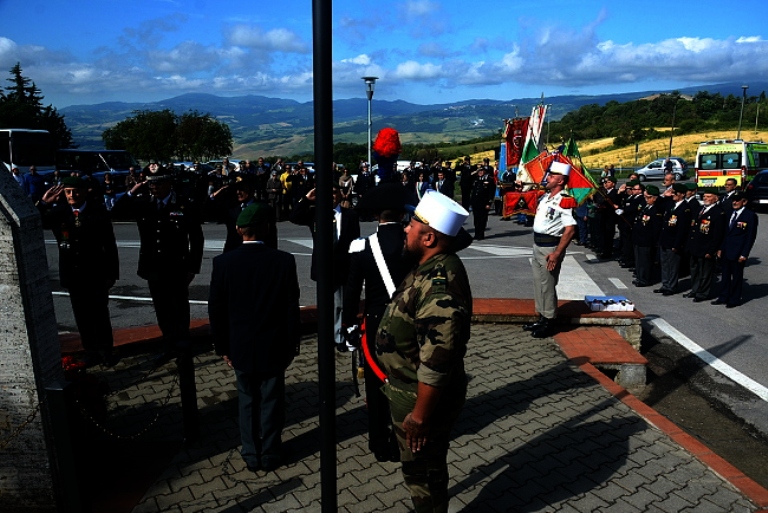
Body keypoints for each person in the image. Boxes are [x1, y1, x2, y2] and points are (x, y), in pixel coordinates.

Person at [375, 191, 472, 513]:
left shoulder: (440, 283)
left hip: (421, 399)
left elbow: (438, 359)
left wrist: (419, 415)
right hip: (409, 391)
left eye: (412, 224)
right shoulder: (430, 265)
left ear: (429, 237)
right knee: (423, 470)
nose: (405, 228)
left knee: (423, 475)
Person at [209, 203, 300, 472]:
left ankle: (251, 452)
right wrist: (293, 342)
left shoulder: (223, 263)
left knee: (246, 399)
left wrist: (222, 345)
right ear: (267, 228)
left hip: (240, 344)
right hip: (274, 342)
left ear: (238, 230)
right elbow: (290, 306)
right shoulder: (283, 260)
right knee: (272, 399)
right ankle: (271, 451)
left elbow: (217, 309)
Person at [344, 184, 414, 463]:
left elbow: (351, 292)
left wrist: (349, 326)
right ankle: (405, 436)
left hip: (375, 322)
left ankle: (378, 441)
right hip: (409, 319)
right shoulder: (413, 241)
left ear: (375, 215)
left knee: (376, 381)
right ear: (402, 213)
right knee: (407, 378)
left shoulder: (361, 246)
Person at [112, 167, 204, 362]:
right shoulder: (143, 203)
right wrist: (133, 190)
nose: (154, 186)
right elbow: (116, 212)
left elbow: (196, 238)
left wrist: (192, 267)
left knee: (179, 307)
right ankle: (169, 345)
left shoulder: (183, 204)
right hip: (153, 267)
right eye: (151, 182)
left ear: (169, 182)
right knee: (162, 308)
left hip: (176, 266)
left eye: (158, 182)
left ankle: (183, 345)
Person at [38, 177, 120, 367]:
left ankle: (106, 352)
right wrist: (43, 202)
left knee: (100, 315)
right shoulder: (60, 212)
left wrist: (111, 274)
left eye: (75, 191)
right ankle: (91, 351)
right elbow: (36, 222)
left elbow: (109, 245)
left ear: (84, 192)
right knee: (82, 316)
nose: (72, 195)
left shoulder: (97, 212)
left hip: (96, 274)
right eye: (68, 192)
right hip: (73, 275)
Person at [290, 183, 360, 347]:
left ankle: (338, 338)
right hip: (323, 267)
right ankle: (326, 335)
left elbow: (354, 241)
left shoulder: (350, 215)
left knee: (340, 304)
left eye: (334, 192)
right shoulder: (316, 213)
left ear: (340, 194)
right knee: (326, 304)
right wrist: (307, 199)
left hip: (342, 267)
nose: (332, 196)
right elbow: (294, 216)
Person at [523, 161, 576, 339]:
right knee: (539, 284)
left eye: (552, 176)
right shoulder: (546, 197)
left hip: (550, 247)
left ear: (561, 181)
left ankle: (550, 321)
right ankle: (541, 317)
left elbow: (570, 229)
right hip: (537, 245)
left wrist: (557, 253)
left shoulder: (564, 200)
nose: (548, 178)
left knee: (547, 285)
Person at [712, 191, 758, 308]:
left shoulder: (750, 216)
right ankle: (723, 297)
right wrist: (720, 248)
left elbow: (750, 237)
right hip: (726, 250)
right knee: (725, 276)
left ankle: (734, 299)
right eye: (734, 200)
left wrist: (744, 254)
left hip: (738, 251)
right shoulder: (729, 213)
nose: (735, 202)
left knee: (736, 277)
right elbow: (725, 233)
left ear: (745, 202)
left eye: (738, 200)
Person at [685, 190, 726, 302]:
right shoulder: (700, 209)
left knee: (705, 273)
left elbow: (718, 234)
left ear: (716, 198)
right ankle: (695, 290)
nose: (705, 198)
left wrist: (712, 250)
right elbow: (693, 229)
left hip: (706, 248)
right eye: (704, 196)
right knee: (695, 271)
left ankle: (702, 293)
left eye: (709, 196)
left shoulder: (718, 213)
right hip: (695, 246)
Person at [655, 183, 691, 295]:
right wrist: (663, 196)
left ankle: (672, 286)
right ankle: (665, 284)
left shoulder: (685, 209)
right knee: (664, 264)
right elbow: (658, 205)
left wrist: (677, 244)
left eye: (675, 193)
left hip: (673, 242)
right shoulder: (671, 203)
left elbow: (682, 229)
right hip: (665, 240)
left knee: (673, 266)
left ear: (682, 194)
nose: (673, 195)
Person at [632, 185, 664, 288]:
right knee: (639, 260)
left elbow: (655, 228)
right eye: (645, 197)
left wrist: (653, 241)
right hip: (639, 238)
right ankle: (640, 277)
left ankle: (645, 279)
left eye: (648, 197)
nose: (646, 199)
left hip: (647, 240)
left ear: (654, 198)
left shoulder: (656, 210)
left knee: (646, 261)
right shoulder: (646, 207)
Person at [469, 165, 495, 240]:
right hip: (475, 202)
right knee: (476, 219)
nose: (480, 172)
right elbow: (468, 178)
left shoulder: (489, 179)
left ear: (484, 171)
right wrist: (475, 172)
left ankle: (481, 234)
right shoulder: (476, 179)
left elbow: (491, 193)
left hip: (483, 203)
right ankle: (476, 234)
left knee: (482, 219)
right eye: (479, 171)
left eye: (481, 171)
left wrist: (489, 203)